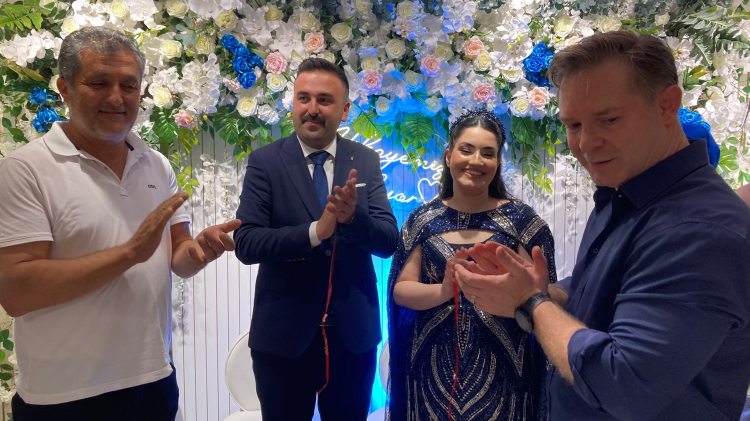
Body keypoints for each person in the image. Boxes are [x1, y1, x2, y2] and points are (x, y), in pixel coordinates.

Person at [454, 31, 750, 421]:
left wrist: (530, 303)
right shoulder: (625, 190)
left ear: (667, 105)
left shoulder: (700, 228)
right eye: (573, 124)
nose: (586, 143)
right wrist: (547, 292)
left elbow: (625, 385)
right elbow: (608, 291)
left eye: (608, 120)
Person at [0, 27, 239, 420]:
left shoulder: (155, 163)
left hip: (153, 379)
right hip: (64, 395)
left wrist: (198, 251)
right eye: (99, 83)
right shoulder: (25, 169)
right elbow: (17, 292)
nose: (116, 98)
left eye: (129, 86)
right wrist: (129, 253)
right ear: (65, 89)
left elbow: (178, 254)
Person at [233, 57, 398, 420]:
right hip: (283, 337)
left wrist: (352, 219)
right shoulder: (265, 162)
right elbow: (246, 243)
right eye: (303, 98)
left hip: (352, 337)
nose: (312, 109)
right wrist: (314, 232)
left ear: (345, 110)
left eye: (324, 100)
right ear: (292, 103)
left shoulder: (365, 160)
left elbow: (388, 241)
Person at [386, 109, 556, 420]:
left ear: (498, 162)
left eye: (487, 153)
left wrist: (523, 294)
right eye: (466, 150)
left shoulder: (523, 222)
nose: (476, 161)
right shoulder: (422, 220)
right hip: (431, 369)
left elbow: (547, 297)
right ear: (448, 156)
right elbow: (401, 291)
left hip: (505, 370)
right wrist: (443, 291)